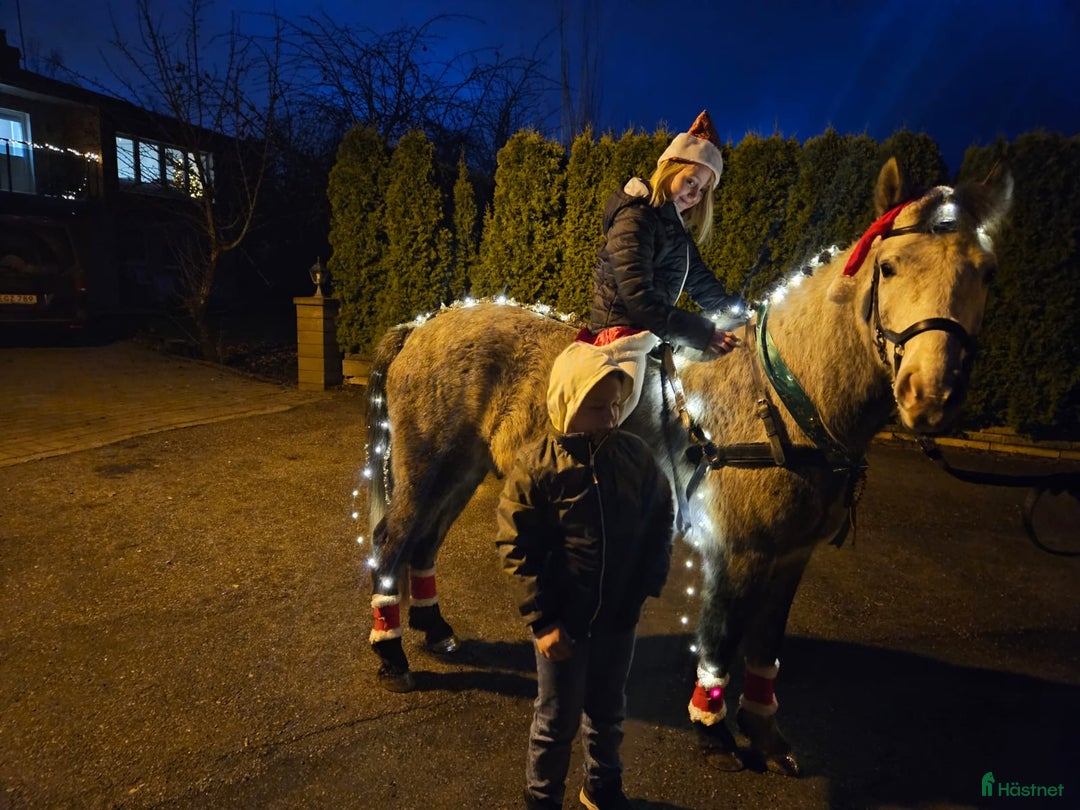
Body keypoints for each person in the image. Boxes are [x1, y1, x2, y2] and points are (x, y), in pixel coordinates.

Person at [496, 340, 675, 810]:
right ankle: (542, 798)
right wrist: (543, 621)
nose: (611, 417)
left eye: (617, 405)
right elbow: (516, 546)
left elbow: (660, 515)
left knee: (608, 710)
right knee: (556, 720)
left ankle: (602, 787)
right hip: (564, 622)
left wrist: (647, 582)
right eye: (597, 408)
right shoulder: (537, 467)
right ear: (567, 403)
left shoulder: (633, 456)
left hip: (618, 617)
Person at [584, 109, 745, 421]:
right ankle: (590, 462)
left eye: (702, 191)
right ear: (670, 168)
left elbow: (701, 282)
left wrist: (739, 313)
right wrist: (702, 332)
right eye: (690, 181)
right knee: (617, 411)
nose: (694, 194)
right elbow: (638, 297)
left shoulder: (674, 226)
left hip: (653, 333)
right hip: (620, 335)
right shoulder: (636, 215)